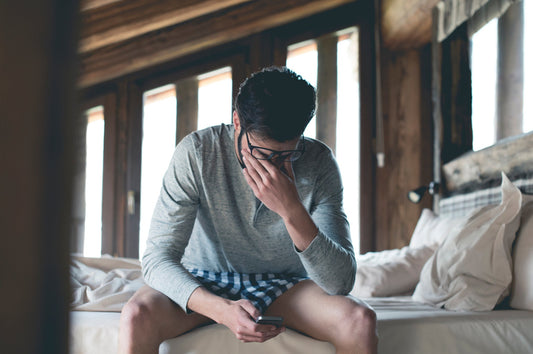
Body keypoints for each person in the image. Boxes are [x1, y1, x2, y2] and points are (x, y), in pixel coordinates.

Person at [119, 66, 377, 354]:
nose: (273, 168)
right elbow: (156, 259)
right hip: (204, 277)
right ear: (237, 122)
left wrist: (291, 209)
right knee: (135, 316)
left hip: (287, 284)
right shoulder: (197, 153)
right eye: (261, 154)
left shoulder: (319, 162)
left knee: (359, 320)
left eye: (287, 155)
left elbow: (340, 282)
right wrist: (221, 309)